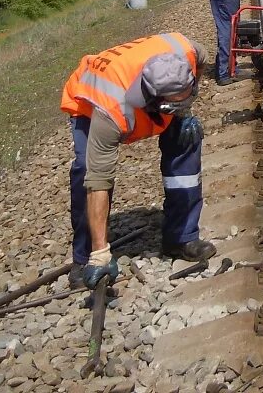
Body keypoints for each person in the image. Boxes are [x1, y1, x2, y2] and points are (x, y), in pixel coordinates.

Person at [60, 33, 217, 289]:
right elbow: (99, 181)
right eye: (171, 108)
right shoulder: (112, 112)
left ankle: (181, 237)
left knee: (186, 139)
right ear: (152, 101)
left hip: (149, 88)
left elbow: (201, 59)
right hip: (89, 101)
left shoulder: (186, 51)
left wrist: (183, 113)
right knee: (87, 172)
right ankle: (86, 256)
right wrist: (101, 253)